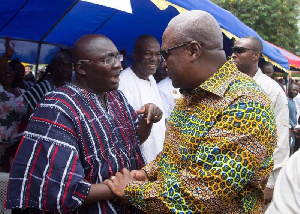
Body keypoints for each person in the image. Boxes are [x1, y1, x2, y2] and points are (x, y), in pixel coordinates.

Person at [104, 10, 276, 213]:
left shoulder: (245, 104)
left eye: (166, 54)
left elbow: (202, 195)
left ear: (194, 51)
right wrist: (148, 173)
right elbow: (175, 156)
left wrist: (131, 190)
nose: (163, 63)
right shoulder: (191, 94)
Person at [5, 34, 163, 213]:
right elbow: (61, 189)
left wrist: (147, 121)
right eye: (107, 59)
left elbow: (135, 139)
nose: (118, 64)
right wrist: (123, 188)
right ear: (81, 68)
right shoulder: (57, 107)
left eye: (117, 56)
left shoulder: (116, 97)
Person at [231, 36, 290, 204]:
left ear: (255, 55)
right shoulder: (226, 86)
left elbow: (280, 139)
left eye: (240, 51)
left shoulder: (271, 90)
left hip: (257, 179)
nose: (234, 55)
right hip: (227, 176)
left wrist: (270, 183)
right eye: (233, 51)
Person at [118, 35, 165, 164]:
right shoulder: (124, 82)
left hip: (158, 159)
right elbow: (126, 131)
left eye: (157, 54)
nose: (154, 59)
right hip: (139, 163)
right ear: (135, 55)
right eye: (148, 54)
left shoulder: (151, 79)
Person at [22, 51, 73, 118]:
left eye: (68, 66)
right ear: (54, 66)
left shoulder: (72, 90)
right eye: (61, 65)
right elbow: (30, 116)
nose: (65, 69)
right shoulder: (40, 89)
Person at [287, 82, 299, 154]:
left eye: (297, 90)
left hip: (293, 131)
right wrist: (292, 125)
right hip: (288, 131)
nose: (295, 92)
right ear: (289, 89)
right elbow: (285, 116)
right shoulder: (286, 101)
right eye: (294, 90)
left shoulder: (293, 102)